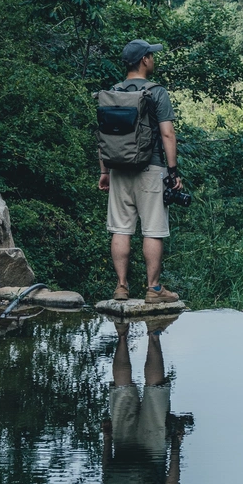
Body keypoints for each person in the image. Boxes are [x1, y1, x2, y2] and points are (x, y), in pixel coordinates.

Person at [101, 317, 194, 484]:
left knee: (155, 390)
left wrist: (176, 444)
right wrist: (107, 440)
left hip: (152, 452)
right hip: (122, 447)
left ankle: (153, 333)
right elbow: (106, 480)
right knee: (122, 389)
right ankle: (122, 332)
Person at [98, 39, 182, 303]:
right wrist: (173, 171)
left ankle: (121, 287)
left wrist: (105, 171)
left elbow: (103, 136)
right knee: (153, 230)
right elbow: (167, 134)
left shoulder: (113, 92)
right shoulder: (157, 92)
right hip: (151, 168)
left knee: (120, 229)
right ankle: (153, 289)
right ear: (144, 60)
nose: (153, 60)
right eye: (151, 56)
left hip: (119, 169)